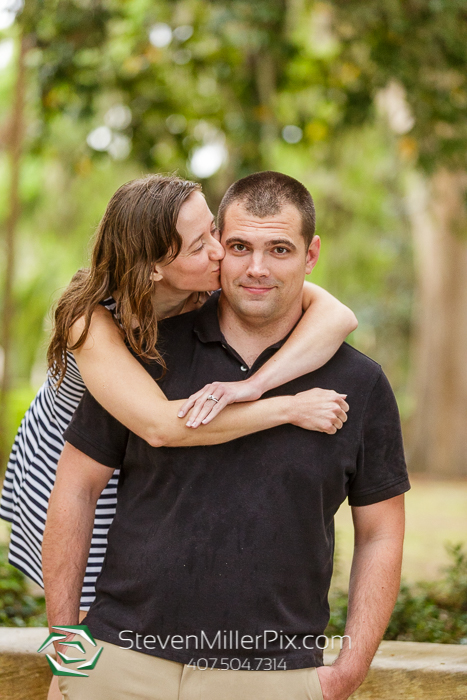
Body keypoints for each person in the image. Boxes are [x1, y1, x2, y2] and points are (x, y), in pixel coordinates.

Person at [43, 171, 410, 700]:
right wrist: (67, 643)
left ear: (311, 257)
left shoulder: (360, 381)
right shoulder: (132, 348)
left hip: (272, 677)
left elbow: (382, 533)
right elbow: (78, 487)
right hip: (117, 664)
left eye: (280, 249)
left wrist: (347, 671)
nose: (254, 267)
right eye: (235, 245)